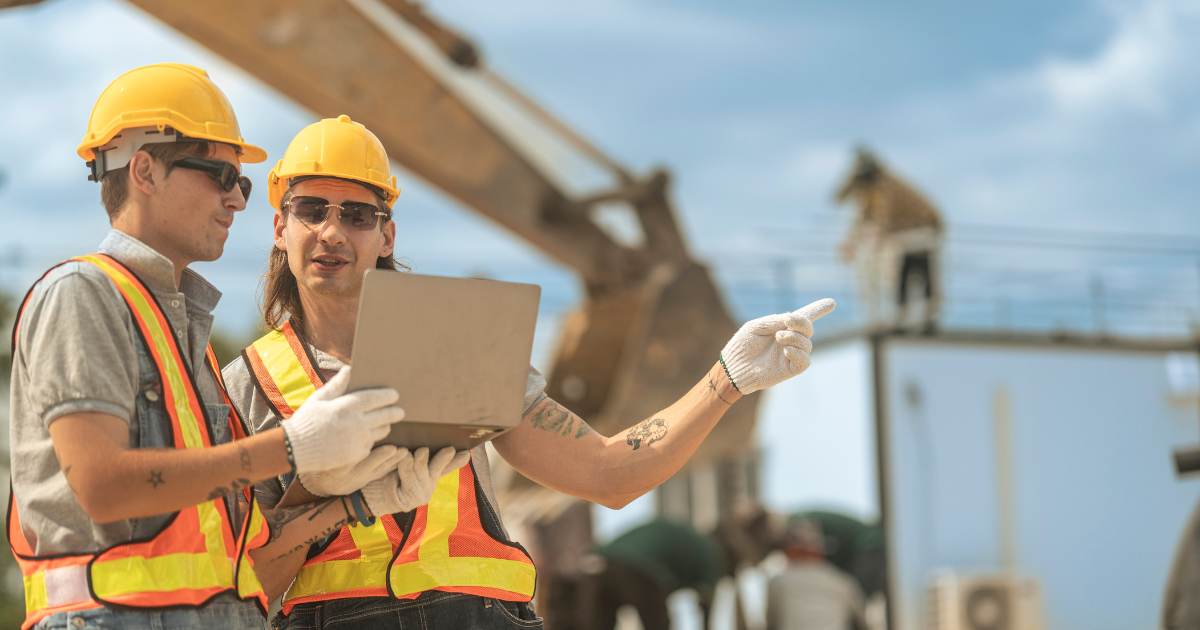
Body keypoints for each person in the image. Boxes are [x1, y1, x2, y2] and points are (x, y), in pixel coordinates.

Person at [221, 114, 836, 629]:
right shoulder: (242, 386)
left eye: (357, 215)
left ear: (386, 235)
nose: (332, 231)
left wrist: (724, 380)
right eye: (311, 210)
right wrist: (339, 498)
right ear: (280, 227)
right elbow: (242, 585)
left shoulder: (459, 348)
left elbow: (607, 473)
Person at [6, 64, 407, 630]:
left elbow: (233, 552)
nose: (236, 200)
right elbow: (104, 486)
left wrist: (355, 501)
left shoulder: (183, 338)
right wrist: (292, 447)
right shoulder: (83, 294)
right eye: (221, 175)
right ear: (144, 169)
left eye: (240, 183)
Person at [835, 147, 944, 330]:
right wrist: (852, 242)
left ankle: (921, 316)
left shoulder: (884, 185)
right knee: (904, 274)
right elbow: (862, 214)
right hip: (905, 235)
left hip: (919, 232)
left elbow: (883, 215)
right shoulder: (869, 190)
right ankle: (902, 316)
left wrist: (874, 242)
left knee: (915, 273)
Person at [576, 520, 726, 630]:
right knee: (657, 623)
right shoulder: (712, 553)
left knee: (600, 624)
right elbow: (708, 602)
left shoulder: (692, 540)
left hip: (604, 560)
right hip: (640, 565)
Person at [766, 519, 867, 630]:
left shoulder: (778, 582)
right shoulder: (842, 581)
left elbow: (771, 624)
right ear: (821, 551)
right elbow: (862, 622)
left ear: (790, 551)